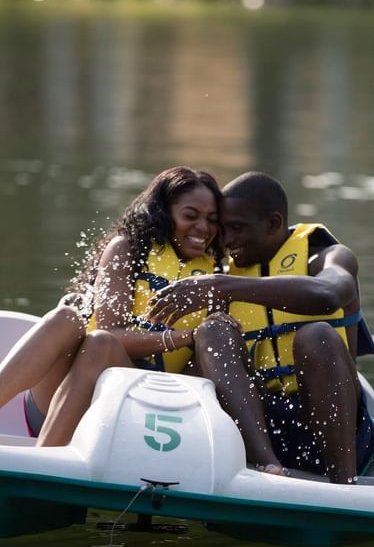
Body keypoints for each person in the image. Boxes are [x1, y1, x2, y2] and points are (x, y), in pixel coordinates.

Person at [147, 171, 374, 484]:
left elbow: (328, 294)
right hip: (264, 431)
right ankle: (269, 467)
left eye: (238, 228)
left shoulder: (325, 255)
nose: (227, 242)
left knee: (317, 335)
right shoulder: (225, 277)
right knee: (213, 331)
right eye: (223, 230)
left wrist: (224, 286)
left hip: (340, 434)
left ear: (272, 223)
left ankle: (344, 486)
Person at [0, 166, 227, 446]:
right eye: (190, 216)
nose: (203, 228)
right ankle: (47, 457)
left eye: (213, 220)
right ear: (163, 213)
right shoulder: (129, 249)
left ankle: (46, 463)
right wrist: (185, 337)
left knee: (99, 343)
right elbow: (110, 333)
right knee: (69, 320)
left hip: (143, 413)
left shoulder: (219, 274)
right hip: (63, 400)